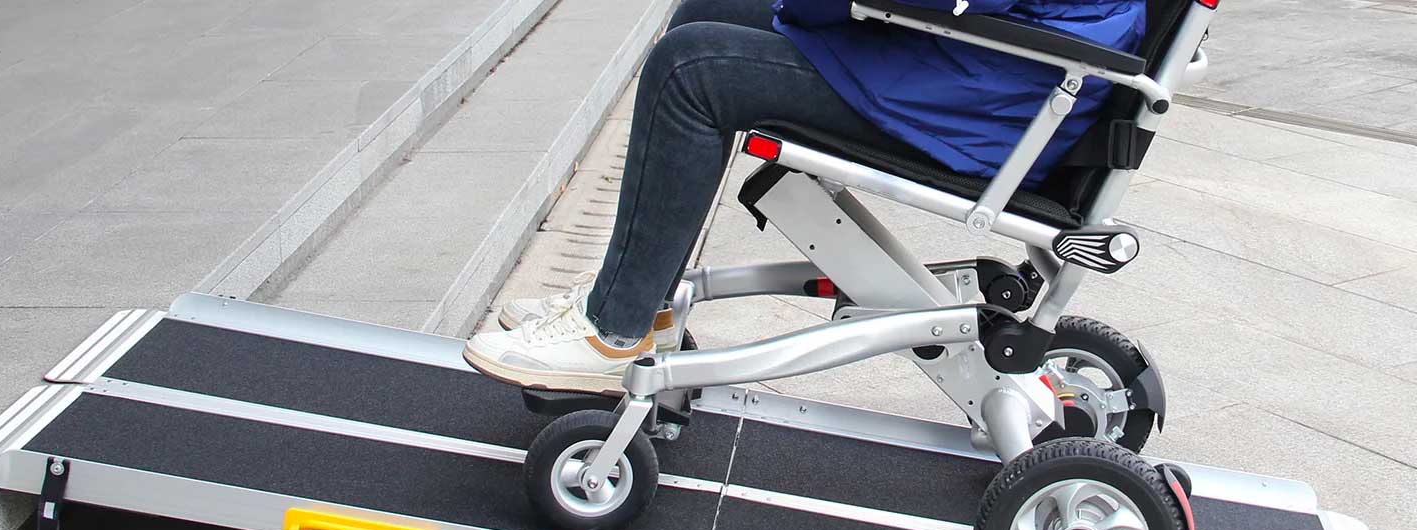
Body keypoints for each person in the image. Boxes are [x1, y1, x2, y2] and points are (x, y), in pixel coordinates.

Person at [464, 0, 1145, 393]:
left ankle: (612, 332)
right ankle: (637, 300)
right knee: (706, 7)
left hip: (982, 110)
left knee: (690, 71)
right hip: (988, 80)